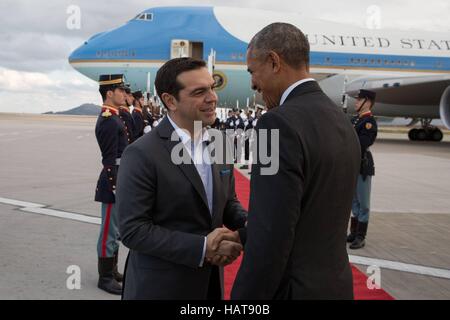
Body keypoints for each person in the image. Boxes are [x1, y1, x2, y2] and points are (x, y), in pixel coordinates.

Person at [231, 23, 361, 300]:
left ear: (274, 62)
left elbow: (271, 233)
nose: (253, 84)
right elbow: (311, 211)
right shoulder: (342, 120)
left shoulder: (275, 124)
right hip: (334, 286)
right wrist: (243, 236)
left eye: (253, 72)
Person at [117, 57, 247, 300]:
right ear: (170, 100)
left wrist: (253, 224)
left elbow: (228, 203)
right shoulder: (142, 153)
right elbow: (133, 230)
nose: (212, 98)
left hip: (209, 286)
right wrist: (202, 247)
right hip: (161, 287)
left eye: (212, 88)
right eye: (199, 92)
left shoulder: (220, 143)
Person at [94, 74, 129, 295]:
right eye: (121, 90)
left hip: (119, 177)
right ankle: (104, 278)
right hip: (111, 182)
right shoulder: (108, 119)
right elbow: (109, 160)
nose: (124, 94)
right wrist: (116, 185)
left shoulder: (115, 116)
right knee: (108, 231)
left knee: (115, 230)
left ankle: (113, 270)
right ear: (110, 93)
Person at [347, 89, 378, 250]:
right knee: (354, 202)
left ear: (368, 102)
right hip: (352, 164)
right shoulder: (354, 120)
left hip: (363, 165)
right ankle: (353, 232)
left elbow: (362, 143)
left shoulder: (369, 122)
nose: (356, 102)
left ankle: (360, 236)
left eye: (359, 100)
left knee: (363, 202)